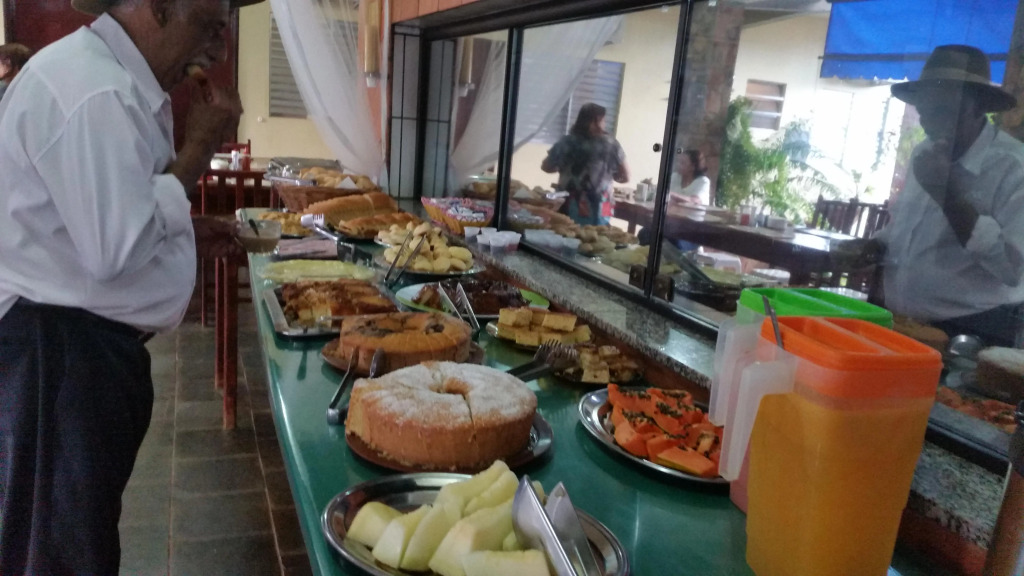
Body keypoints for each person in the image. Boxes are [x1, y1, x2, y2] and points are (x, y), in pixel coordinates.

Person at [0, 0, 259, 573]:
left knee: (74, 538)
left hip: (74, 353)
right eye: (210, 27)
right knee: (60, 554)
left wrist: (182, 233)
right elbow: (116, 246)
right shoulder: (96, 90)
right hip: (57, 360)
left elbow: (104, 217)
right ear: (160, 7)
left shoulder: (114, 81)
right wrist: (197, 152)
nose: (218, 51)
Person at [841, 45, 1024, 346]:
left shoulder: (1014, 168)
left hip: (972, 335)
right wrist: (876, 245)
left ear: (978, 106)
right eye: (925, 112)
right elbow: (905, 226)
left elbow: (1013, 269)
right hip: (903, 323)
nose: (929, 124)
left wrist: (946, 193)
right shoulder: (925, 152)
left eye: (943, 111)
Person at [541, 102, 630, 225]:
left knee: (566, 232)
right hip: (599, 206)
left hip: (567, 203)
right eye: (603, 120)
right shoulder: (611, 145)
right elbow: (626, 176)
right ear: (595, 121)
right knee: (597, 235)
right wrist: (612, 175)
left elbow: (546, 167)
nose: (604, 124)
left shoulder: (566, 142)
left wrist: (564, 166)